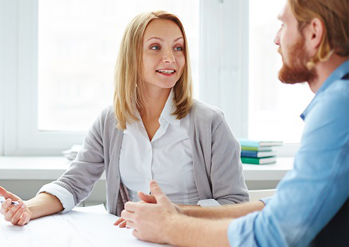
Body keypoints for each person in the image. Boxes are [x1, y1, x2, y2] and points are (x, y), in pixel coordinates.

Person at [120, 0, 349, 246]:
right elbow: (285, 207)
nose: (276, 38)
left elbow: (276, 232)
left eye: (283, 24)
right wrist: (178, 212)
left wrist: (168, 227)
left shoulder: (338, 105)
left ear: (314, 32)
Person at [0, 10, 249, 227]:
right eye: (155, 47)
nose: (170, 58)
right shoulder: (110, 121)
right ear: (132, 56)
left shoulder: (210, 123)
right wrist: (27, 208)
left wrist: (171, 214)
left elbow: (236, 205)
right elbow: (73, 184)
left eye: (178, 47)